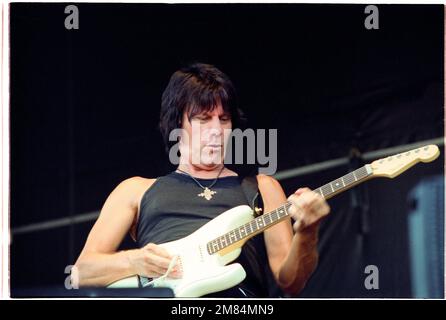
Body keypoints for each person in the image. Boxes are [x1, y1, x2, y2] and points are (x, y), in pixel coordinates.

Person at [73, 63, 330, 297]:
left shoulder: (263, 187)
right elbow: (81, 273)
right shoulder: (135, 190)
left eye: (224, 119)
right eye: (203, 119)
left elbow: (291, 283)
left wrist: (308, 232)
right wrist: (134, 262)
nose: (216, 130)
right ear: (176, 124)